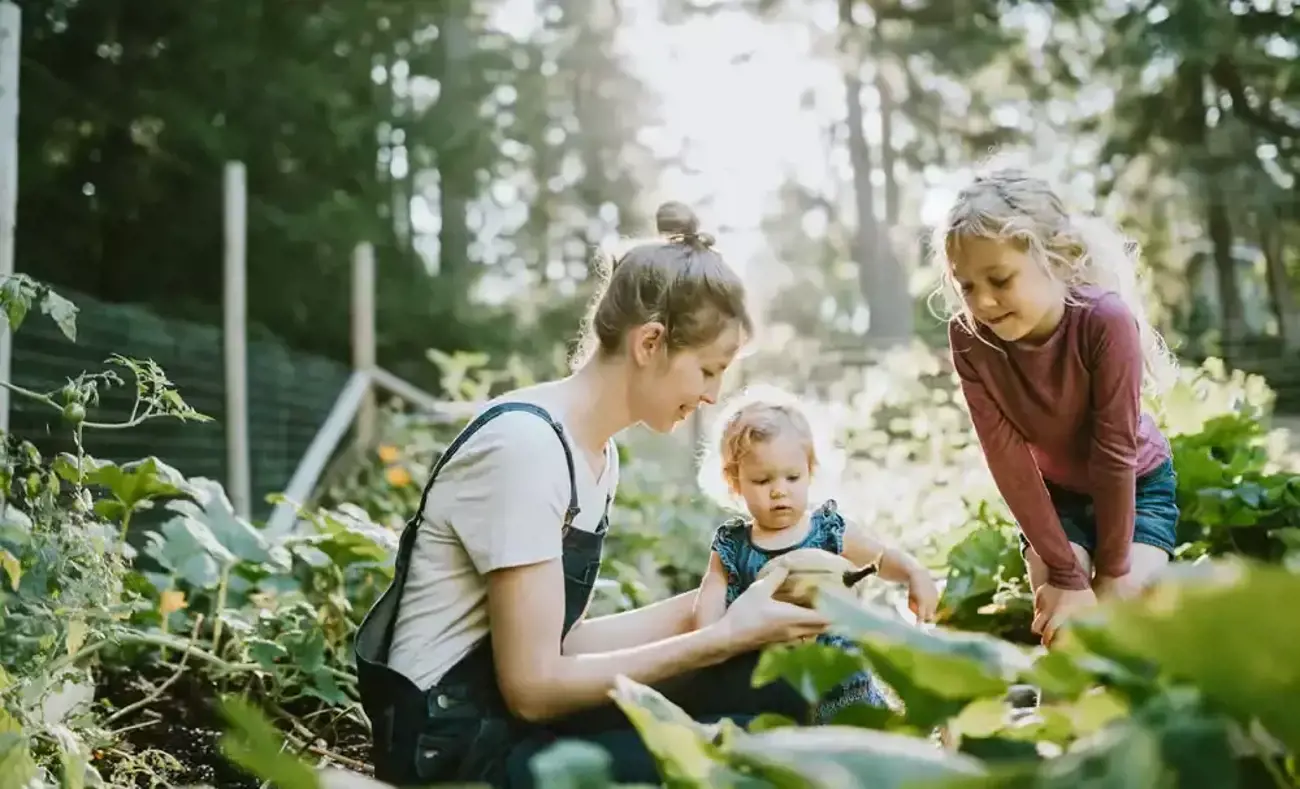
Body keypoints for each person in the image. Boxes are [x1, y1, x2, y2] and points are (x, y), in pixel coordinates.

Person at [353, 201, 831, 789]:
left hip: (509, 719)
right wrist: (721, 638)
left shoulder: (594, 454)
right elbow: (532, 687)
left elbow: (558, 641)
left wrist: (725, 600)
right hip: (456, 751)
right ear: (650, 343)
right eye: (708, 370)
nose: (712, 397)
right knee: (740, 751)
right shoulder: (526, 447)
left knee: (781, 682)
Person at [930, 167, 1181, 646]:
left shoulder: (1104, 322)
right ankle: (1059, 722)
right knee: (1065, 631)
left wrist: (1110, 573)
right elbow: (1007, 460)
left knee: (1118, 628)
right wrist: (1066, 575)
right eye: (966, 286)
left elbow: (1114, 454)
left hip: (1136, 488)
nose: (982, 301)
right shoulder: (969, 337)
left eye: (999, 279)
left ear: (1058, 259)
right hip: (1054, 501)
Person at [691, 386, 940, 723]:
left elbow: (879, 557)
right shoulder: (733, 545)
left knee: (858, 739)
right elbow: (710, 600)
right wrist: (708, 644)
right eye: (763, 480)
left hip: (840, 680)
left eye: (792, 477)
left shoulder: (827, 531)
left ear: (810, 470)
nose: (780, 490)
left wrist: (912, 573)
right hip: (771, 681)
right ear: (735, 482)